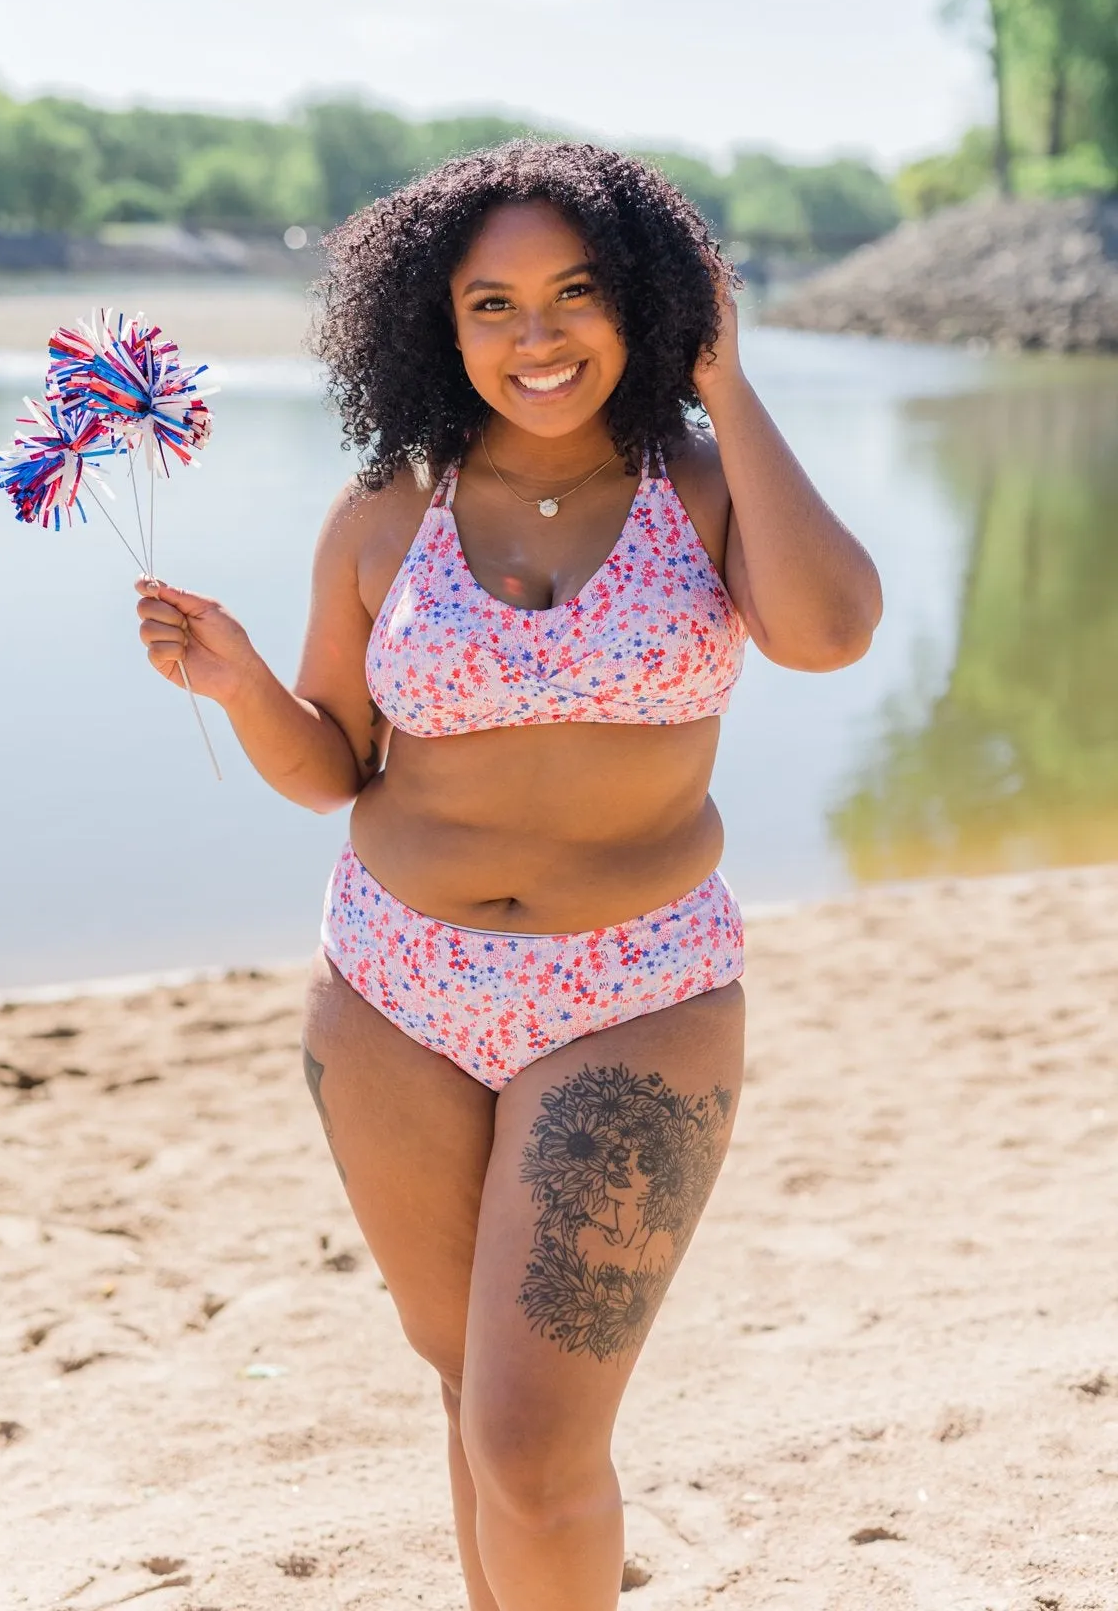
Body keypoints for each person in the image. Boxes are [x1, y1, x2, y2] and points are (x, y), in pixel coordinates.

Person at [133, 140, 882, 1611]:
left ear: (652, 303)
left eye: (579, 294)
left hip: (635, 997)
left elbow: (832, 631)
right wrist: (235, 688)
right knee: (468, 1395)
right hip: (393, 994)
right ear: (437, 320)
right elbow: (335, 769)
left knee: (535, 1447)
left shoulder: (707, 488)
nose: (537, 338)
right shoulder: (383, 511)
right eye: (493, 304)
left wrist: (724, 378)